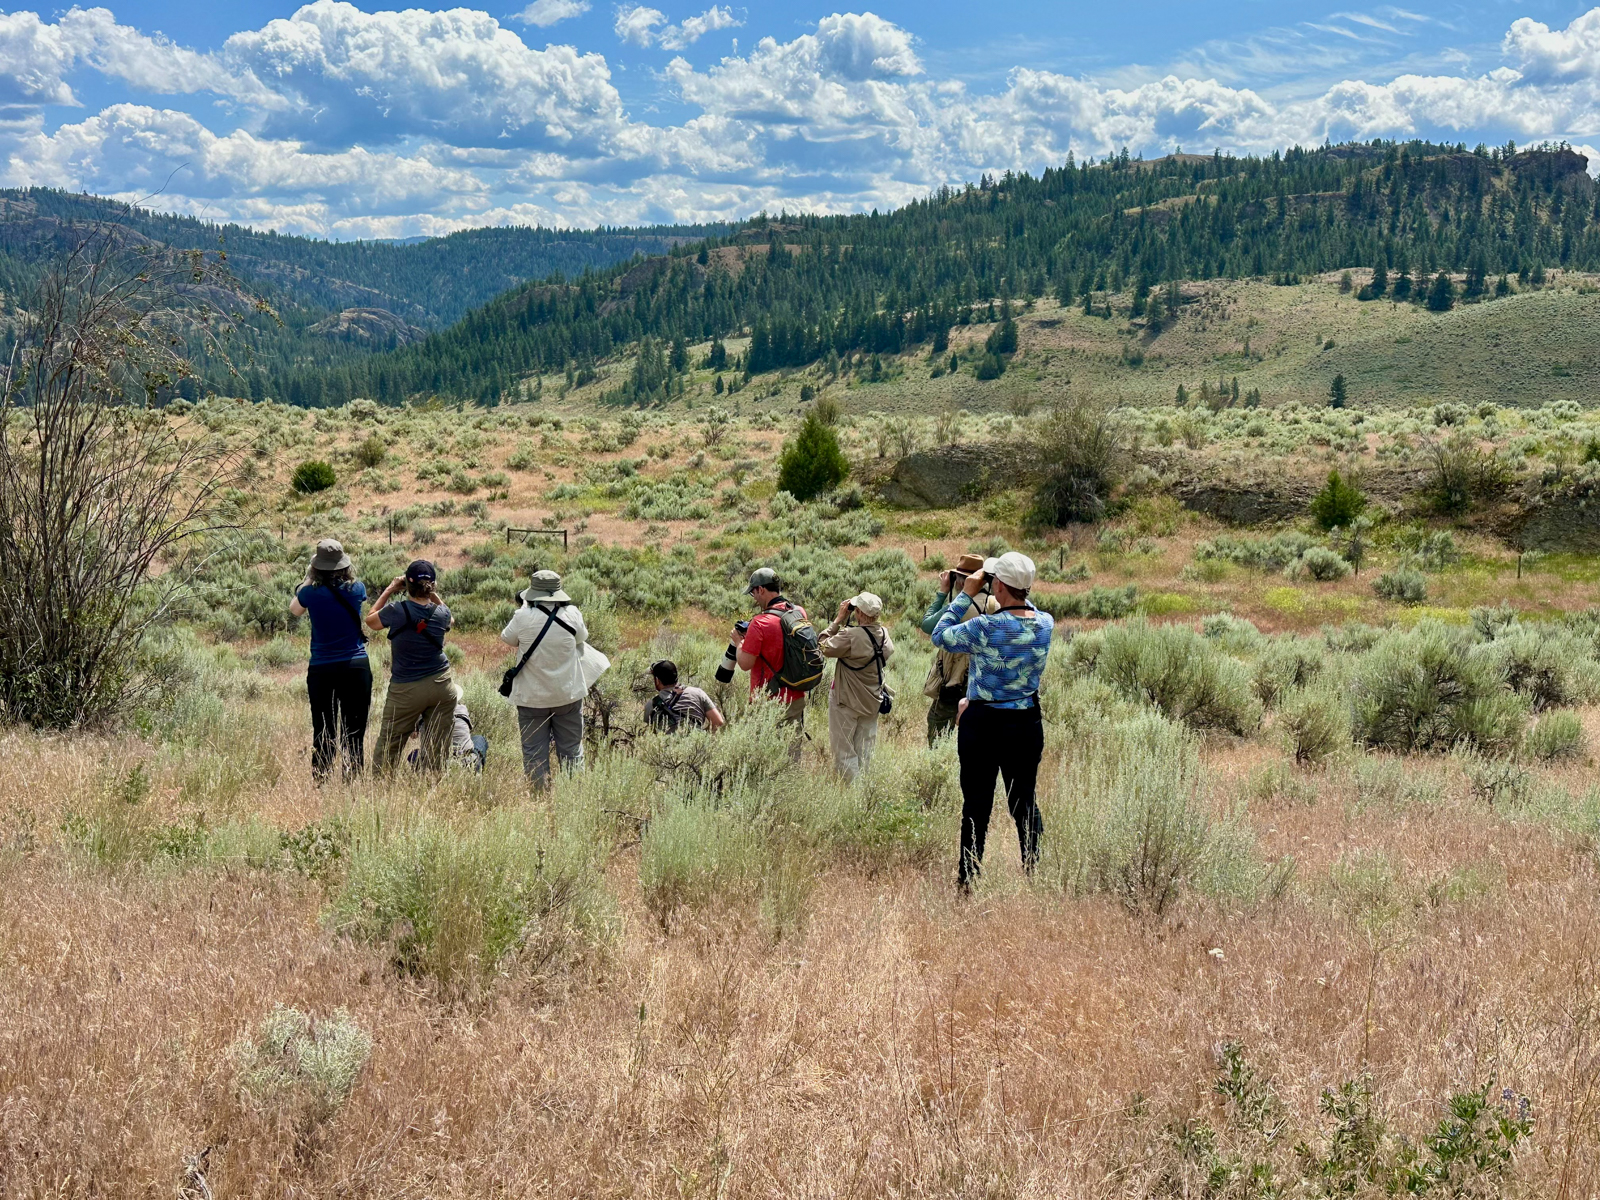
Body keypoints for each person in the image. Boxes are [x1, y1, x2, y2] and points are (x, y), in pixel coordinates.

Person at [930, 551, 1054, 894]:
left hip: (983, 723)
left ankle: (968, 880)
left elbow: (940, 635)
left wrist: (966, 593)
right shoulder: (1045, 623)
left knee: (976, 804)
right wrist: (1013, 587)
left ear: (998, 585)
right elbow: (1026, 608)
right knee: (1024, 801)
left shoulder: (987, 627)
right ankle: (1034, 871)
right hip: (1025, 722)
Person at [289, 538, 371, 781]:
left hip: (322, 668)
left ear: (317, 566)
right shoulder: (357, 589)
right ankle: (353, 780)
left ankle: (321, 780)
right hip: (356, 665)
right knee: (354, 729)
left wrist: (308, 578)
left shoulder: (309, 593)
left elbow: (294, 609)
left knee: (323, 728)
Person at [500, 569, 589, 787]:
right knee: (572, 751)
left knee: (534, 755)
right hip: (567, 694)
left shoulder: (522, 616)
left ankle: (539, 797)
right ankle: (574, 795)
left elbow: (507, 638)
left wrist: (525, 608)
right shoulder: (572, 614)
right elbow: (582, 638)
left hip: (532, 698)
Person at [366, 559, 456, 773]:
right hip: (441, 683)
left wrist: (390, 588)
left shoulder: (397, 610)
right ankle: (434, 783)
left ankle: (381, 786)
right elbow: (450, 619)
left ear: (407, 584)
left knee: (389, 743)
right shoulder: (442, 613)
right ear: (432, 586)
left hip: (405, 687)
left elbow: (370, 621)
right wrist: (432, 593)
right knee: (438, 746)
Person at [733, 567, 818, 752]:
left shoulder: (760, 622)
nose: (754, 598)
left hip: (768, 701)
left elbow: (745, 664)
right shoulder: (798, 612)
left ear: (761, 589)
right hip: (796, 696)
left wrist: (739, 642)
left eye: (753, 593)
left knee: (763, 756)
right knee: (791, 755)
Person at [919, 554, 997, 745]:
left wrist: (942, 592)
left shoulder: (958, 608)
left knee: (938, 731)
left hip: (953, 682)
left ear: (962, 581)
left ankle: (941, 761)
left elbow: (927, 625)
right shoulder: (995, 604)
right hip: (983, 683)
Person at [819, 591, 894, 781]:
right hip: (872, 701)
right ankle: (865, 790)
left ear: (859, 612)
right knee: (865, 752)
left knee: (844, 752)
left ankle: (853, 793)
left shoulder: (850, 635)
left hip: (846, 701)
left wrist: (838, 620)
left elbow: (823, 646)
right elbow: (888, 651)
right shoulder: (884, 635)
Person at [408, 683, 488, 771]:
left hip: (432, 761)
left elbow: (413, 735)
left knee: (414, 754)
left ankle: (423, 771)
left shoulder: (423, 715)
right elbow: (467, 731)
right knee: (479, 739)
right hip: (462, 759)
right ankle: (476, 768)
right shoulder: (462, 709)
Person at [644, 660, 726, 733]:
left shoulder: (651, 705)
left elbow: (649, 734)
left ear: (657, 680)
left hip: (667, 745)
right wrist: (702, 736)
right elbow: (718, 722)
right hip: (696, 744)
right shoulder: (698, 693)